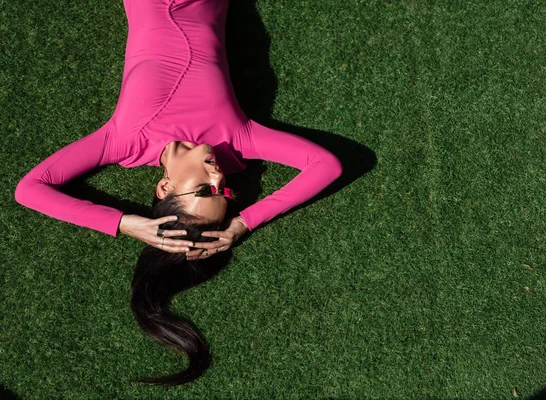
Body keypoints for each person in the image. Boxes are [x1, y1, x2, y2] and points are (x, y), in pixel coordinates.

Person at [14, 0, 342, 387]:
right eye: (224, 190)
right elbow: (327, 165)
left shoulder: (125, 141)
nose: (217, 174)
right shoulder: (235, 140)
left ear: (165, 186)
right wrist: (242, 223)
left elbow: (30, 189)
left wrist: (122, 223)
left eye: (205, 188)